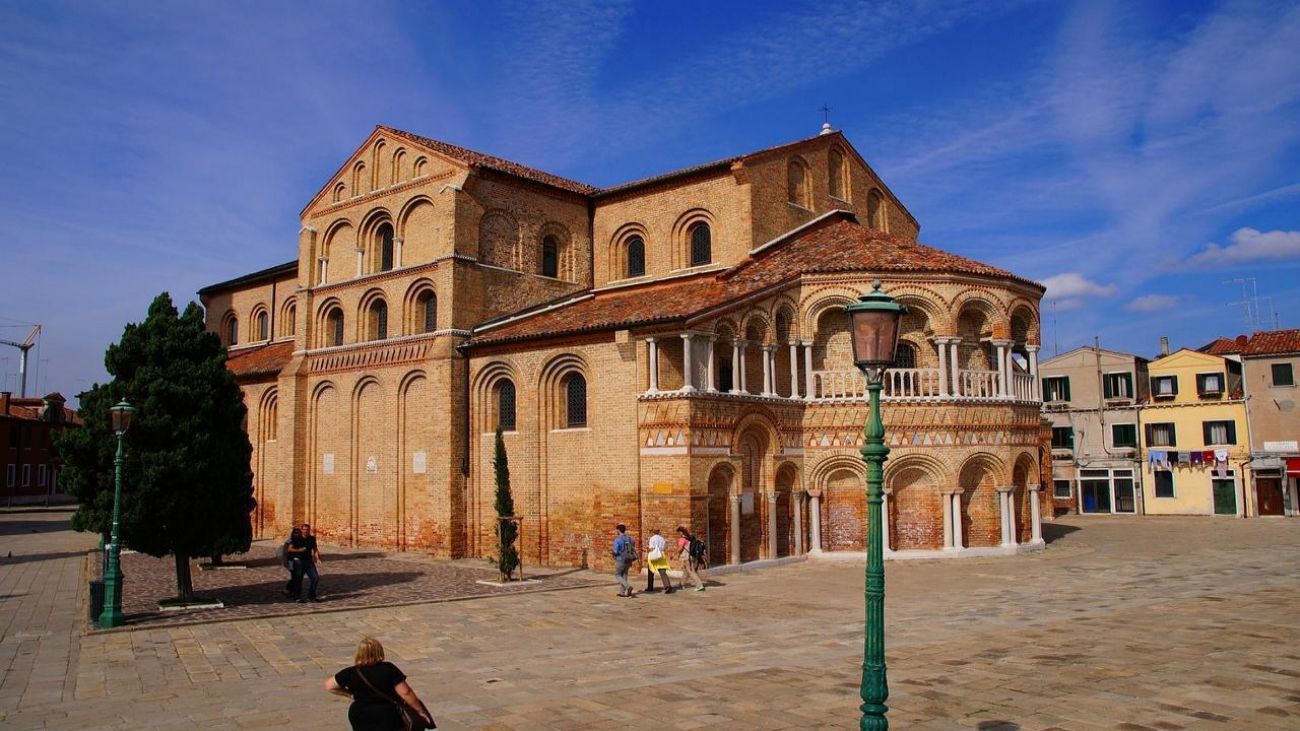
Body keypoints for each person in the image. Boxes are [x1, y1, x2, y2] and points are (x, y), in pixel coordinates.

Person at [326, 636, 434, 731]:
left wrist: (350, 694)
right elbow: (406, 692)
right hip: (386, 714)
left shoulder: (350, 672)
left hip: (359, 714)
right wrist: (419, 710)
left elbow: (330, 686)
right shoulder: (388, 668)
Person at [289, 523, 322, 602]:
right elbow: (289, 549)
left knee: (315, 578)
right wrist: (299, 550)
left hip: (309, 561)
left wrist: (318, 558)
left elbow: (315, 548)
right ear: (301, 530)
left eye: (307, 530)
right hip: (299, 561)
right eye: (304, 530)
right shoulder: (297, 538)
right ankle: (297, 597)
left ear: (309, 530)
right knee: (299, 579)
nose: (305, 531)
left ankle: (311, 596)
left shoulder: (312, 538)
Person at [676, 526, 706, 591]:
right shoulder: (689, 538)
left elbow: (680, 549)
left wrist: (675, 554)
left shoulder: (682, 539)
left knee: (691, 571)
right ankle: (681, 584)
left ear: (681, 532)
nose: (678, 534)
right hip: (691, 557)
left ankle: (699, 585)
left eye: (678, 532)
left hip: (686, 557)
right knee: (686, 570)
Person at [644, 528, 674, 593]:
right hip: (661, 555)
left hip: (653, 555)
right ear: (658, 532)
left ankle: (650, 587)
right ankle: (667, 586)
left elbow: (651, 548)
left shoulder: (652, 538)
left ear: (653, 532)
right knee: (662, 572)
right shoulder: (662, 539)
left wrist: (648, 549)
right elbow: (664, 547)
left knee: (651, 571)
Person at [612, 524, 636, 598]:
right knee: (625, 575)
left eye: (617, 530)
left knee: (617, 574)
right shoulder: (630, 539)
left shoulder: (617, 540)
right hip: (629, 559)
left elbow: (616, 551)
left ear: (618, 530)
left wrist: (613, 553)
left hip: (620, 559)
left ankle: (628, 587)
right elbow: (633, 546)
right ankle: (622, 592)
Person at [280, 527, 302, 597]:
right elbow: (285, 551)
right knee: (295, 576)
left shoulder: (301, 540)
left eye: (298, 533)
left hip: (298, 561)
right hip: (291, 561)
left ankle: (292, 590)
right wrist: (285, 560)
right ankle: (288, 589)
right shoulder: (290, 540)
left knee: (297, 577)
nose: (297, 534)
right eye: (295, 533)